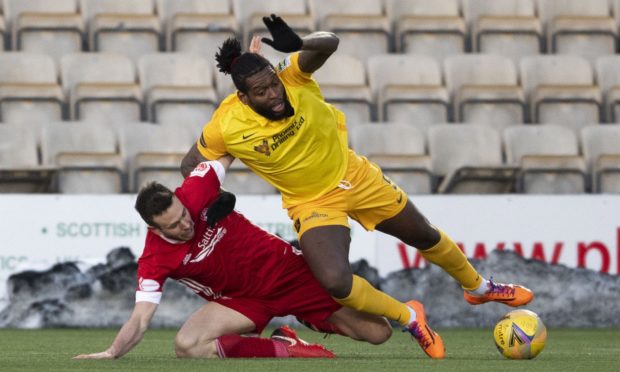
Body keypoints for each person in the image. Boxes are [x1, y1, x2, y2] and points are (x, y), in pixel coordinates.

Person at [180, 14, 535, 359]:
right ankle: (410, 318)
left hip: (356, 176)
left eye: (273, 83)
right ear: (243, 98)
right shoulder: (227, 125)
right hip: (312, 202)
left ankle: (479, 288)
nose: (275, 94)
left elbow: (329, 44)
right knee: (335, 281)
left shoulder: (293, 77)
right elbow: (190, 164)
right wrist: (215, 194)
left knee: (423, 235)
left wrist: (300, 43)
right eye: (262, 92)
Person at [73, 157, 400, 360]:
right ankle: (286, 348)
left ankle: (308, 319)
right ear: (153, 228)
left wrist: (241, 81)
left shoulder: (197, 188)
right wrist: (112, 352)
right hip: (241, 301)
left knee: (379, 334)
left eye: (184, 215)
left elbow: (226, 141)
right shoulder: (154, 259)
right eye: (173, 226)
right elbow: (141, 318)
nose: (186, 224)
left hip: (288, 272)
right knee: (187, 346)